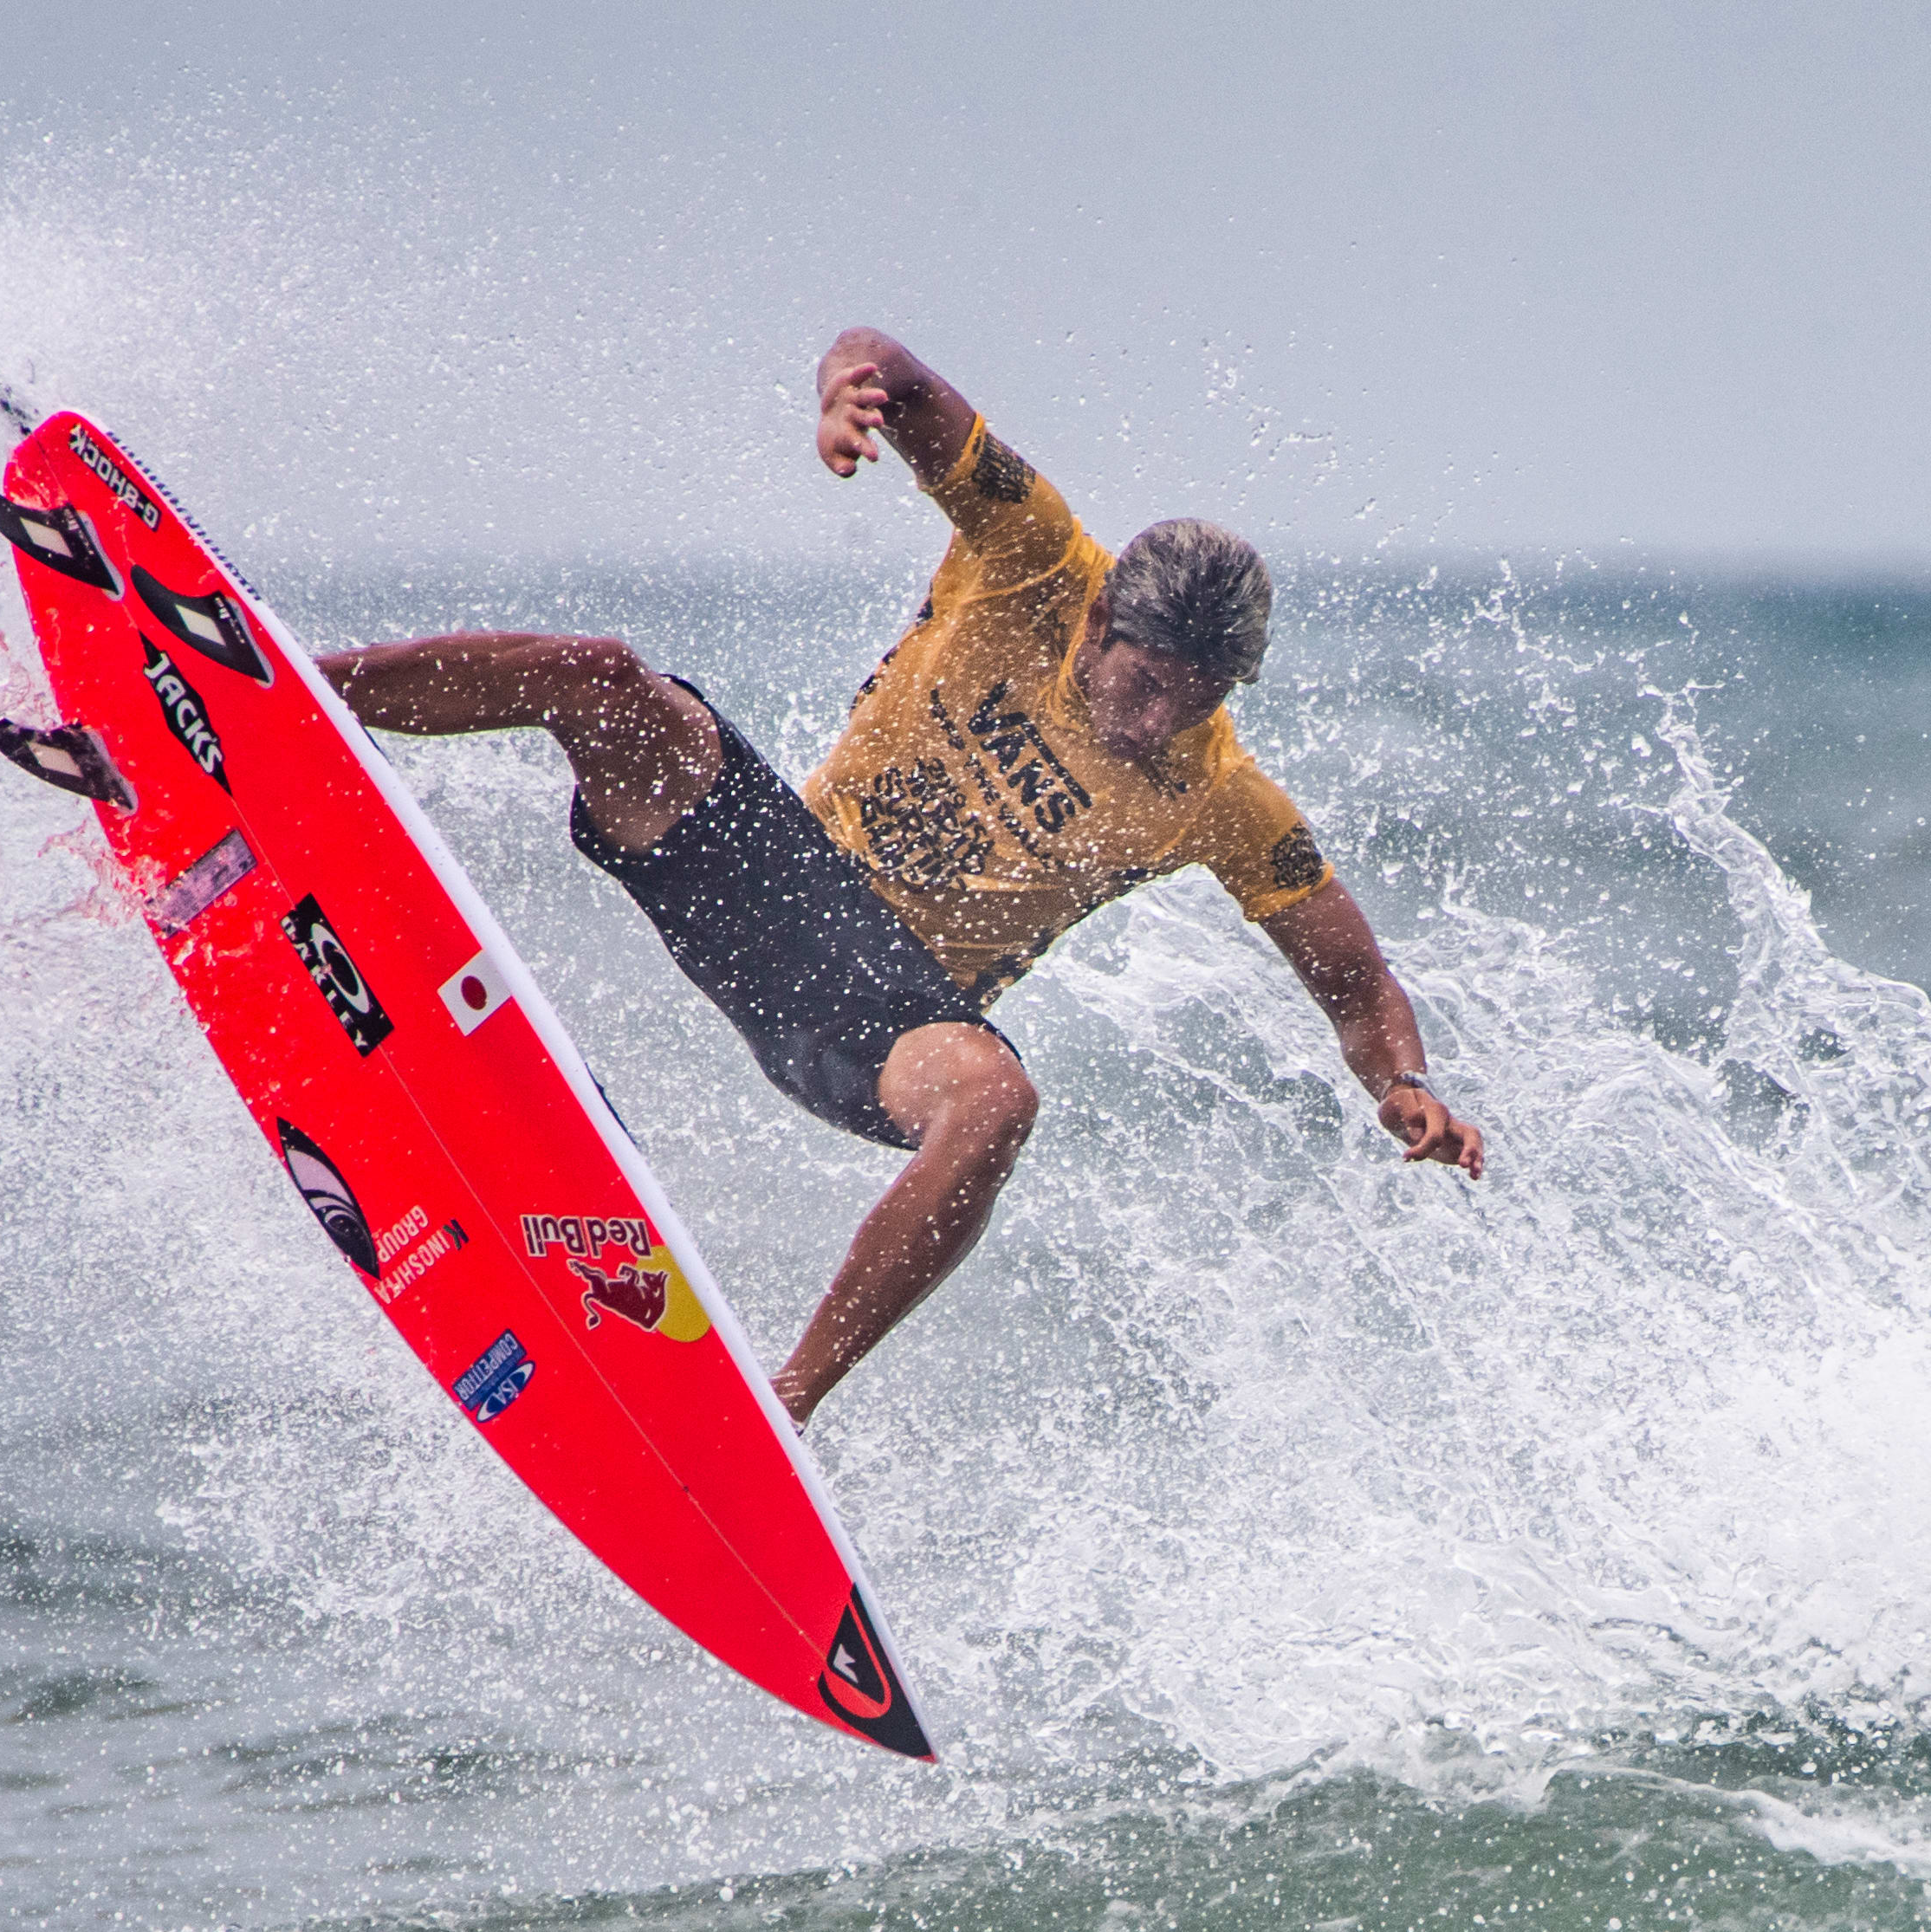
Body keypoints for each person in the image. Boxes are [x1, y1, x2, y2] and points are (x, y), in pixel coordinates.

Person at [310, 327, 1481, 1425]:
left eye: (1201, 696)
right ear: (1095, 624)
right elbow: (892, 367)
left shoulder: (1222, 798)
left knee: (997, 1101)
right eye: (1150, 681)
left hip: (878, 1020)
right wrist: (845, 393)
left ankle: (783, 1406)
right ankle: (275, 686)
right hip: (761, 871)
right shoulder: (1030, 557)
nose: (1165, 715)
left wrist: (1403, 1082)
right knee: (602, 676)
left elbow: (1352, 976)